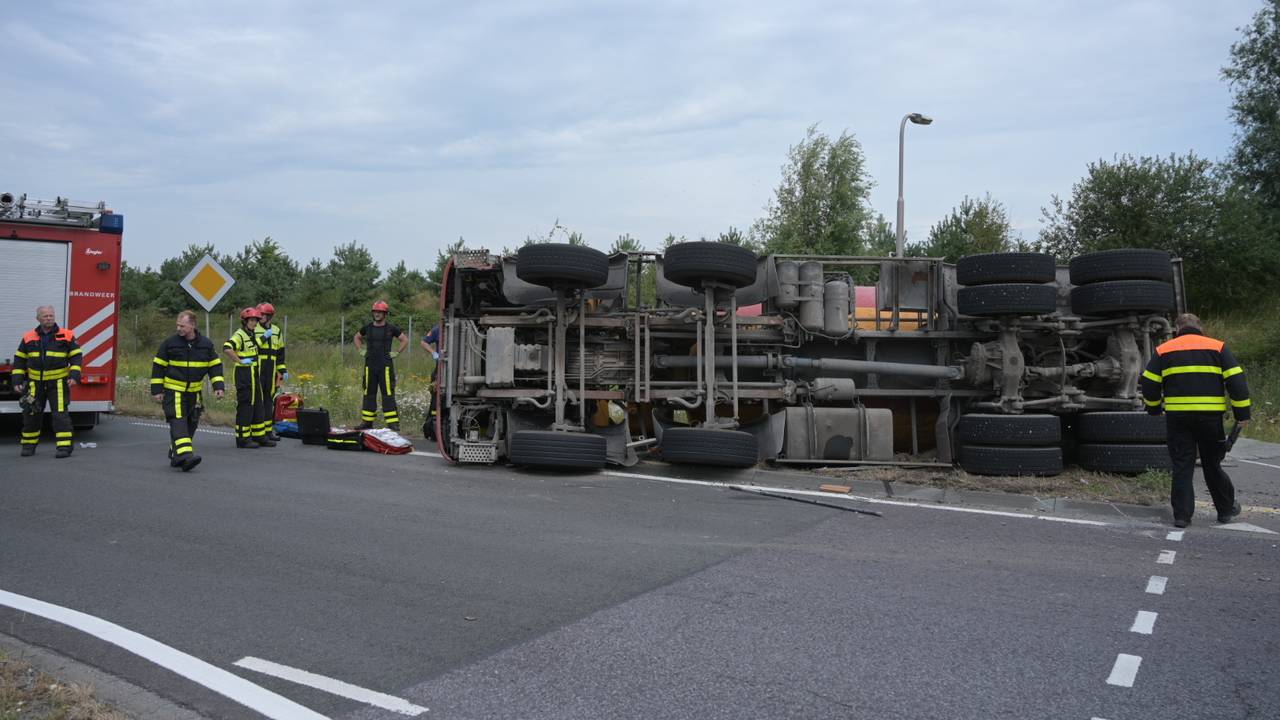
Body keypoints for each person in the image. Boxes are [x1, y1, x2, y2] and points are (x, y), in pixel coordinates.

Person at [1140, 313, 1251, 528]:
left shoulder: (1164, 350)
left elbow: (1149, 381)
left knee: (1182, 465)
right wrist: (1242, 414)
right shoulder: (1217, 347)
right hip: (1210, 419)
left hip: (1178, 419)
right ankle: (1225, 510)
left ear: (1177, 328)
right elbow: (1237, 382)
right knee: (1212, 464)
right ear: (1200, 327)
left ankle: (1182, 516)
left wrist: (1153, 408)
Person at [151, 310, 224, 471]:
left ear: (192, 325)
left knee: (191, 423)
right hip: (174, 391)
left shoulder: (206, 344)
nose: (178, 328)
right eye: (177, 325)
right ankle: (185, 457)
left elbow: (215, 366)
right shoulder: (170, 343)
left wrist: (218, 386)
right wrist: (157, 390)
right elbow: (158, 367)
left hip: (195, 393)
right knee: (178, 422)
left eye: (182, 325)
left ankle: (176, 454)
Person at [13, 305, 81, 458]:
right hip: (34, 384)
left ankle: (64, 448)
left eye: (51, 315)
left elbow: (76, 356)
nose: (49, 318)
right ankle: (28, 446)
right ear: (38, 318)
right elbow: (20, 359)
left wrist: (74, 375)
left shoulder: (67, 335)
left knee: (60, 416)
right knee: (31, 414)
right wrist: (17, 379)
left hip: (58, 383)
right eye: (45, 316)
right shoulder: (28, 337)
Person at [224, 307, 275, 448]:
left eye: (256, 320)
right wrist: (239, 360)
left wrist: (265, 336)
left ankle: (259, 436)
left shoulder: (251, 335)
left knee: (258, 404)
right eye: (252, 320)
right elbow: (227, 348)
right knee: (246, 406)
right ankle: (242, 439)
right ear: (245, 321)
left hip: (254, 373)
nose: (254, 323)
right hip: (244, 374)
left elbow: (255, 345)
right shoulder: (240, 335)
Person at [354, 300, 408, 430]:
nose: (377, 314)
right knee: (369, 393)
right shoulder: (367, 328)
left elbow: (404, 339)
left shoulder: (391, 328)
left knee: (388, 393)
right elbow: (357, 337)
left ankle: (392, 424)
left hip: (385, 366)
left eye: (380, 312)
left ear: (385, 314)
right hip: (370, 366)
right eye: (375, 312)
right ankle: (367, 422)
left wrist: (397, 352)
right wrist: (360, 350)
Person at [254, 302, 288, 442]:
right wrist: (263, 337)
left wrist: (282, 370)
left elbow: (280, 353)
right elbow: (252, 347)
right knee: (258, 401)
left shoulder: (276, 330)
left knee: (269, 401)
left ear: (269, 316)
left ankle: (268, 431)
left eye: (263, 315)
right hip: (258, 370)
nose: (260, 317)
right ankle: (257, 432)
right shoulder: (253, 329)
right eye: (259, 314)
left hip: (271, 370)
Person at [420, 324, 440, 439]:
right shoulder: (437, 329)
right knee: (435, 399)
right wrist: (433, 353)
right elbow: (424, 342)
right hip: (440, 369)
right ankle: (431, 430)